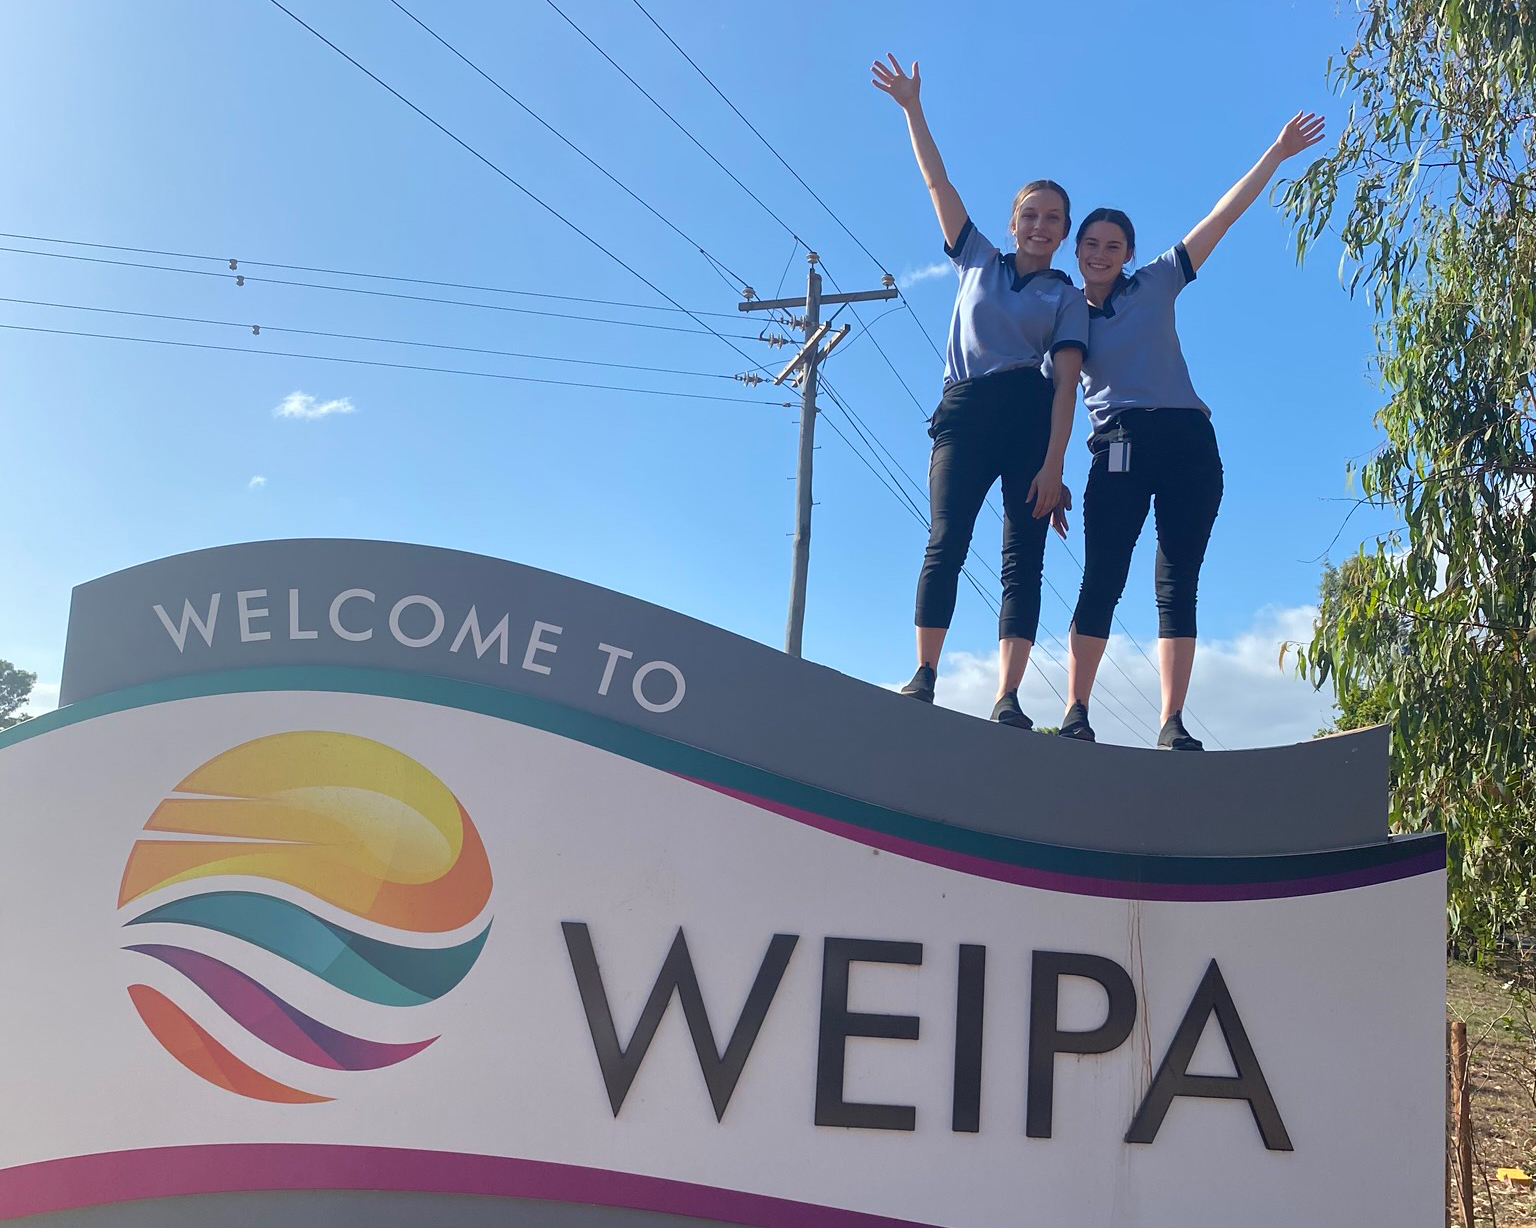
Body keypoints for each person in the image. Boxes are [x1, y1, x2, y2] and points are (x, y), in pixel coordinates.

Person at [1056, 112, 1326, 749]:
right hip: (1117, 445)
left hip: (1188, 444)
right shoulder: (1061, 312)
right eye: (1091, 244)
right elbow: (1057, 398)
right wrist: (1051, 472)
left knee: (1177, 581)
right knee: (1104, 575)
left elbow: (1221, 217)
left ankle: (1171, 723)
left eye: (1113, 246)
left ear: (1127, 253)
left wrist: (1278, 152)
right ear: (1077, 252)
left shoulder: (1157, 281)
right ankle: (1075, 712)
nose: (1101, 254)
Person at [871, 55, 1087, 730]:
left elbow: (1066, 389)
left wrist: (1055, 465)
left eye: (1054, 218)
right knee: (946, 541)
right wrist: (913, 108)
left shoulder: (1066, 298)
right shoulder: (976, 258)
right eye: (1031, 215)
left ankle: (1008, 697)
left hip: (1029, 416)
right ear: (1013, 220)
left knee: (1023, 560)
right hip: (964, 413)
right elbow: (937, 180)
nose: (1041, 226)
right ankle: (926, 674)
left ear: (1063, 231)